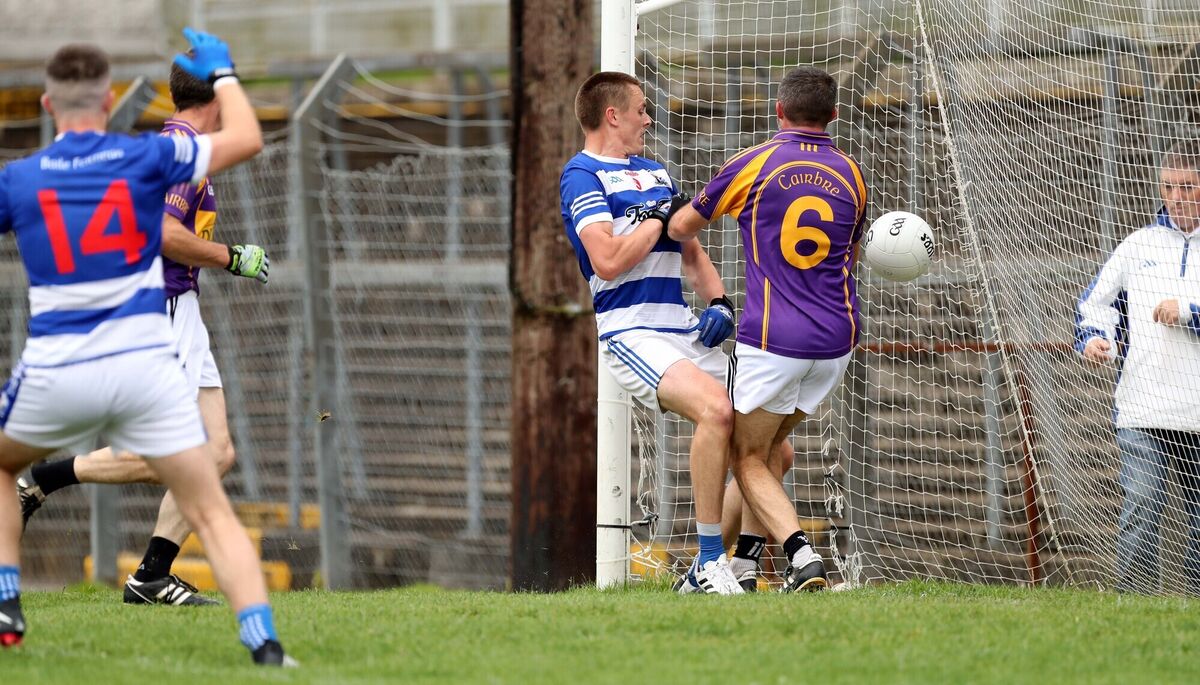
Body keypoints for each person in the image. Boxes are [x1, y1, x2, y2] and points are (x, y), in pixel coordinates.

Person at [0, 31, 294, 665]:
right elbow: (161, 230)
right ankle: (46, 481)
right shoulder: (174, 148)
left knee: (217, 451)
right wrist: (229, 256)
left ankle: (149, 575)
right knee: (186, 463)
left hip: (167, 312)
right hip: (157, 312)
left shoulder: (57, 169)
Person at [669, 66, 868, 592]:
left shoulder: (754, 162)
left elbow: (682, 226)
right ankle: (748, 564)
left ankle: (803, 559)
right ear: (834, 116)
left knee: (746, 455)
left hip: (775, 337)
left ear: (777, 110)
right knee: (774, 449)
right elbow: (852, 248)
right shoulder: (852, 172)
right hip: (837, 339)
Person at [560, 71, 743, 594]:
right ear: (612, 115)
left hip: (681, 326)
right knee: (717, 411)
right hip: (633, 331)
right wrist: (657, 220)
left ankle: (716, 566)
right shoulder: (581, 176)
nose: (648, 118)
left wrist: (720, 302)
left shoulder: (656, 172)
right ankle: (712, 560)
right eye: (640, 109)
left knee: (772, 445)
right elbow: (609, 260)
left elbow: (690, 250)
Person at [1075, 138, 1200, 594]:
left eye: (1188, 186)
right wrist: (1096, 339)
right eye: (1170, 187)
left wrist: (1189, 311)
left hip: (1197, 414)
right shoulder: (1137, 244)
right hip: (1143, 409)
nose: (1178, 196)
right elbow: (1096, 303)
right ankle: (1134, 604)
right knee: (1142, 505)